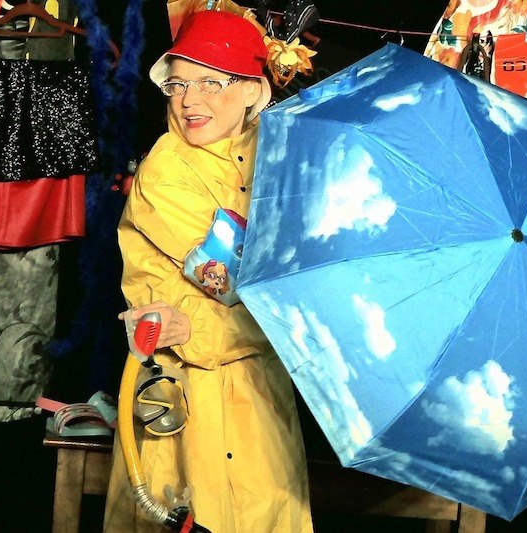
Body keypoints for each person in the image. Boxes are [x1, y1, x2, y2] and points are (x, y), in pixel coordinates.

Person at [103, 9, 314, 533]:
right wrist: (301, 314)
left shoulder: (287, 159)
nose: (188, 100)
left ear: (253, 91)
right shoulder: (168, 172)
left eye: (209, 82)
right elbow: (246, 291)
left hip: (261, 406)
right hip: (183, 396)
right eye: (177, 84)